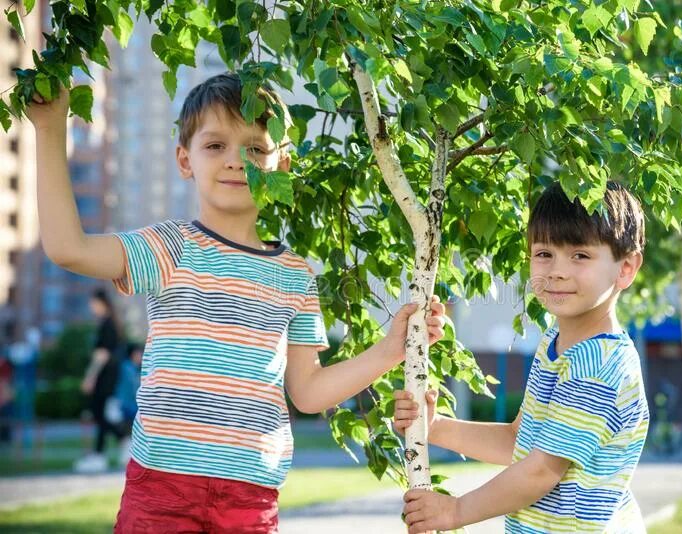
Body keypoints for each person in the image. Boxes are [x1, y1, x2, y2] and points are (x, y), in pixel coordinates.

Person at [26, 72, 445, 533]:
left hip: (251, 498)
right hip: (162, 489)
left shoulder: (295, 275)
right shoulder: (171, 247)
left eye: (254, 148)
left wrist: (389, 350)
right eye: (215, 146)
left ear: (281, 163)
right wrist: (50, 129)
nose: (234, 161)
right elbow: (68, 247)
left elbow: (307, 392)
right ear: (185, 160)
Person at [394, 182, 650, 533]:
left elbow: (542, 471)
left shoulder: (598, 365)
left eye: (580, 255)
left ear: (625, 268)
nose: (557, 271)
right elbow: (521, 442)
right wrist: (434, 427)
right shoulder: (555, 344)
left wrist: (455, 511)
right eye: (544, 254)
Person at [74, 289, 127, 473]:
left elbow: (101, 355)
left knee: (99, 413)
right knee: (102, 415)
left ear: (101, 303)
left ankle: (120, 441)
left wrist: (90, 377)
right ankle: (101, 453)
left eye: (93, 304)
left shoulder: (107, 324)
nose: (91, 307)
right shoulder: (111, 323)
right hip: (108, 377)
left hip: (105, 378)